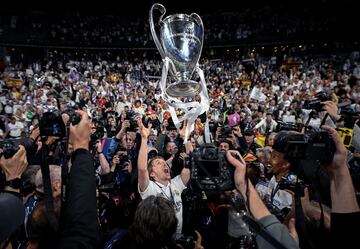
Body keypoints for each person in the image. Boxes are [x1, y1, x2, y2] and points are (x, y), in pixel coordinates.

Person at [137, 117, 190, 235]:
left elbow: (189, 166)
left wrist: (185, 138)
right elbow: (141, 168)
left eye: (164, 163)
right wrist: (144, 138)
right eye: (158, 163)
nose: (164, 164)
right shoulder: (150, 188)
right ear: (152, 174)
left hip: (177, 239)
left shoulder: (176, 183)